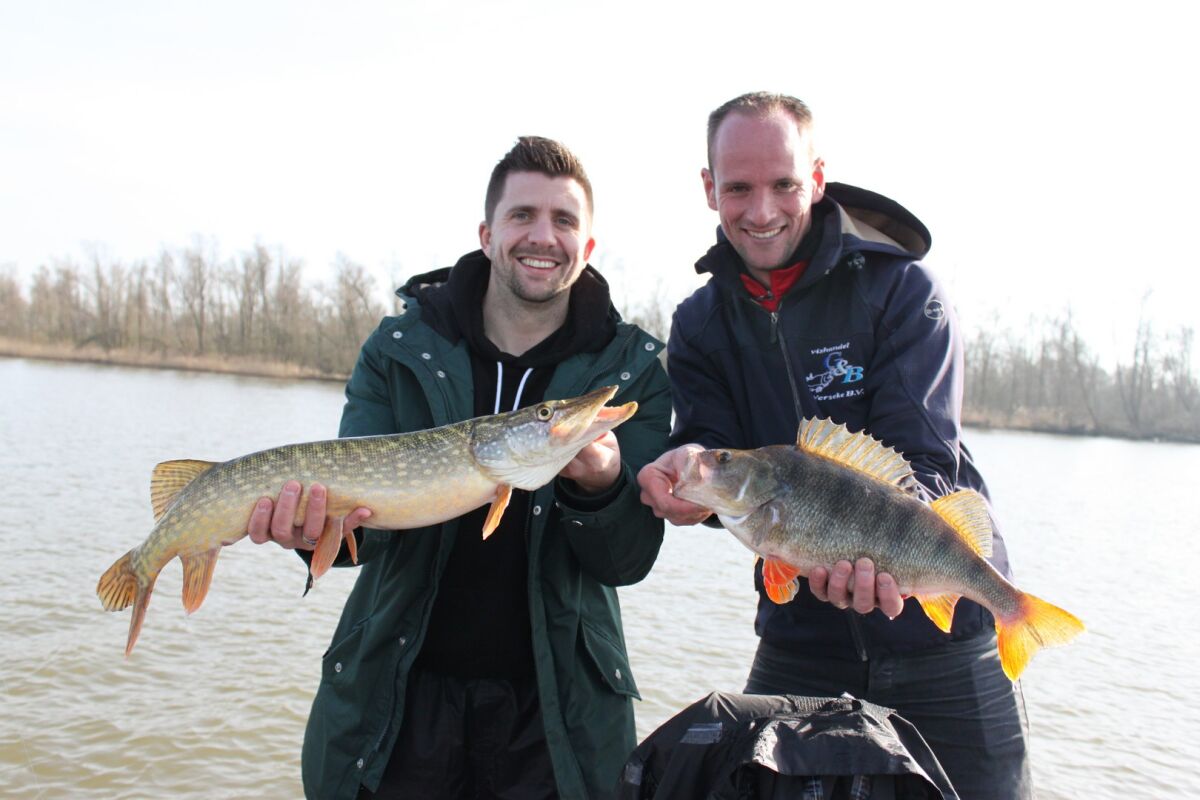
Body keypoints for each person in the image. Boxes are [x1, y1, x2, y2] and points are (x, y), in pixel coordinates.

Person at [247, 136, 671, 800]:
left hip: (554, 717)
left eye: (563, 220)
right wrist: (312, 532)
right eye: (522, 215)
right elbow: (363, 536)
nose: (543, 236)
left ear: (587, 246)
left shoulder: (631, 370)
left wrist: (601, 489)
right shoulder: (399, 349)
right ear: (487, 234)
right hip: (400, 701)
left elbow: (628, 561)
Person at [636, 92, 1031, 798]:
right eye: (739, 188)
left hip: (945, 639)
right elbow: (711, 448)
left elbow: (926, 462)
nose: (761, 210)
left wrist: (886, 555)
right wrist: (685, 473)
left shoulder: (903, 289)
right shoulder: (699, 323)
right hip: (802, 641)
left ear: (817, 178)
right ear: (709, 189)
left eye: (784, 184)